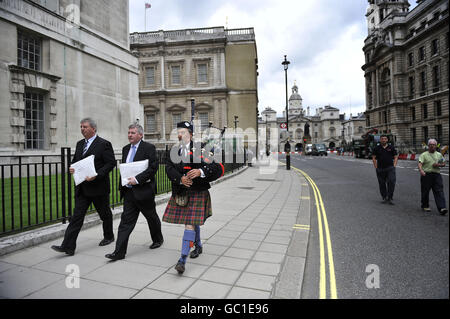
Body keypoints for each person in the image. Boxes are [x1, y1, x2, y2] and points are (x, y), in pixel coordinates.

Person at [163, 121, 224, 274]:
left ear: (190, 134)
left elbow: (217, 168)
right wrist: (180, 179)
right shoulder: (173, 151)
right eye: (178, 132)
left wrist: (200, 172)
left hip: (197, 191)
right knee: (192, 221)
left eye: (183, 132)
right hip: (181, 192)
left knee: (189, 223)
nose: (180, 134)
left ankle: (182, 259)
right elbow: (169, 169)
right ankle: (197, 245)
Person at [51, 118, 116, 256]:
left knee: (105, 214)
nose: (82, 129)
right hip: (83, 188)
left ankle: (109, 236)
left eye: (85, 127)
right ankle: (68, 246)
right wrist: (72, 168)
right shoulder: (80, 144)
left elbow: (110, 164)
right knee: (76, 217)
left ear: (93, 128)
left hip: (98, 187)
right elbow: (76, 161)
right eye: (81, 126)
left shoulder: (104, 144)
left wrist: (97, 175)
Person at [105, 123, 163, 260]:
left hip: (144, 191)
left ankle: (158, 239)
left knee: (151, 218)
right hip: (129, 192)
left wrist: (137, 179)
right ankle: (119, 252)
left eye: (132, 133)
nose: (129, 135)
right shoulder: (125, 149)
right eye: (129, 132)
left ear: (140, 135)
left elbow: (153, 168)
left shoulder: (149, 148)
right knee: (125, 223)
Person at [418, 139, 448, 215]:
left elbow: (444, 163)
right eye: (430, 144)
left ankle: (442, 208)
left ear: (436, 146)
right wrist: (421, 170)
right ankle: (425, 205)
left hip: (436, 175)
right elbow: (420, 163)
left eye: (434, 144)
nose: (432, 146)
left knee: (439, 191)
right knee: (425, 191)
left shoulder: (439, 154)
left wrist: (439, 165)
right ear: (428, 146)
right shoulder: (424, 154)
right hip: (426, 175)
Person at [372, 134, 398, 205]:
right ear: (380, 140)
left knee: (391, 181)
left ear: (387, 140)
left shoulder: (391, 147)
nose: (383, 140)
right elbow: (374, 158)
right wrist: (376, 167)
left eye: (385, 139)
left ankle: (390, 197)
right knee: (382, 183)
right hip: (380, 168)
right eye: (382, 139)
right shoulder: (376, 148)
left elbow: (395, 156)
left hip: (390, 168)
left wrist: (394, 165)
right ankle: (384, 197)